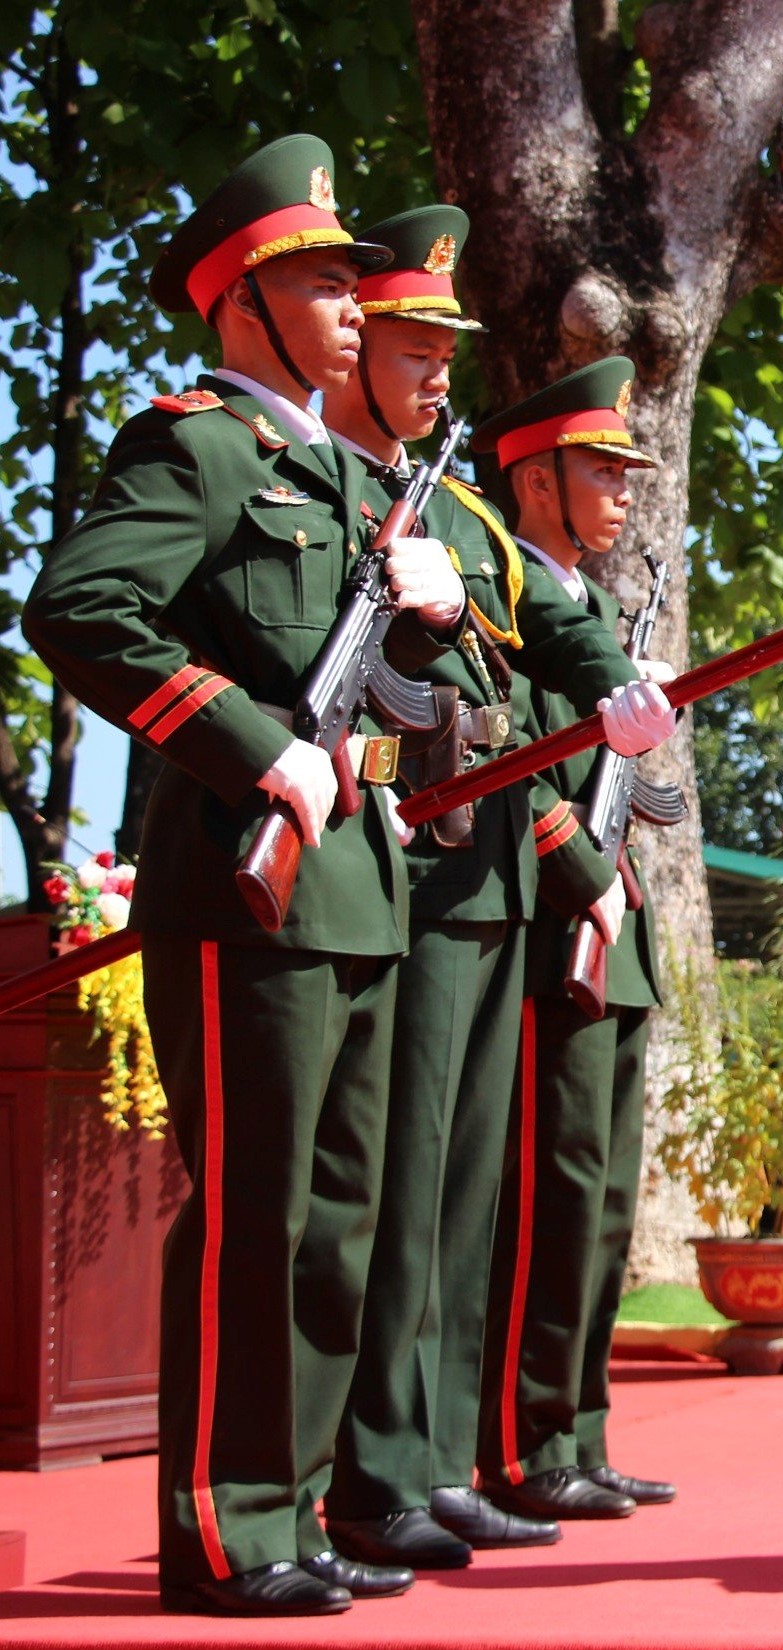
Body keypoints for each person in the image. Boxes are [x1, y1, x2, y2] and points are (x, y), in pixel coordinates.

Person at [23, 135, 465, 1616]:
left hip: (352, 891)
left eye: (350, 282)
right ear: (241, 306)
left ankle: (296, 1504)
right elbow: (80, 611)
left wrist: (423, 640)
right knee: (261, 1215)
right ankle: (223, 1527)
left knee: (338, 1221)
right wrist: (252, 748)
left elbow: (379, 725)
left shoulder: (348, 479)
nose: (352, 307)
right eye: (320, 283)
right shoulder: (197, 444)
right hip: (243, 886)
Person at [316, 211, 674, 1570]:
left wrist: (621, 696)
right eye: (411, 348)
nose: (435, 376)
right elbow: (499, 738)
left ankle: (433, 1459)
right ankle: (398, 1464)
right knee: (403, 1198)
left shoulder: (462, 522)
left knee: (459, 1199)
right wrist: (578, 866)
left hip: (474, 889)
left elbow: (553, 660)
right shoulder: (355, 488)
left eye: (438, 352)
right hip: (425, 879)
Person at [473, 359, 681, 1516]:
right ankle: (520, 1445)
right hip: (555, 928)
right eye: (599, 470)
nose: (620, 491)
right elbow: (506, 767)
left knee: (600, 1204)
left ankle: (578, 1432)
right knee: (546, 1197)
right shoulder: (507, 611)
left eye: (624, 470)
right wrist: (584, 876)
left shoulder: (597, 617)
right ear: (535, 482)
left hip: (612, 928)